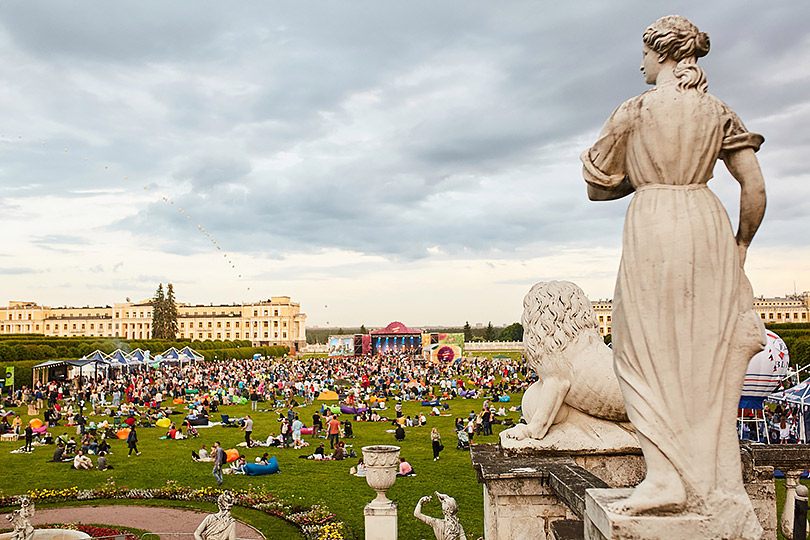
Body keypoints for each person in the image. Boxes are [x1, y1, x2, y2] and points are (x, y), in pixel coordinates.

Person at [581, 15, 767, 523]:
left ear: (660, 53)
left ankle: (665, 475)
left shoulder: (634, 111)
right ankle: (713, 478)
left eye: (644, 53)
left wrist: (640, 177)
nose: (639, 62)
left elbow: (597, 186)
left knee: (642, 353)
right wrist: (742, 245)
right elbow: (754, 189)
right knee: (704, 353)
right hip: (706, 221)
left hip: (655, 223)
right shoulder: (718, 111)